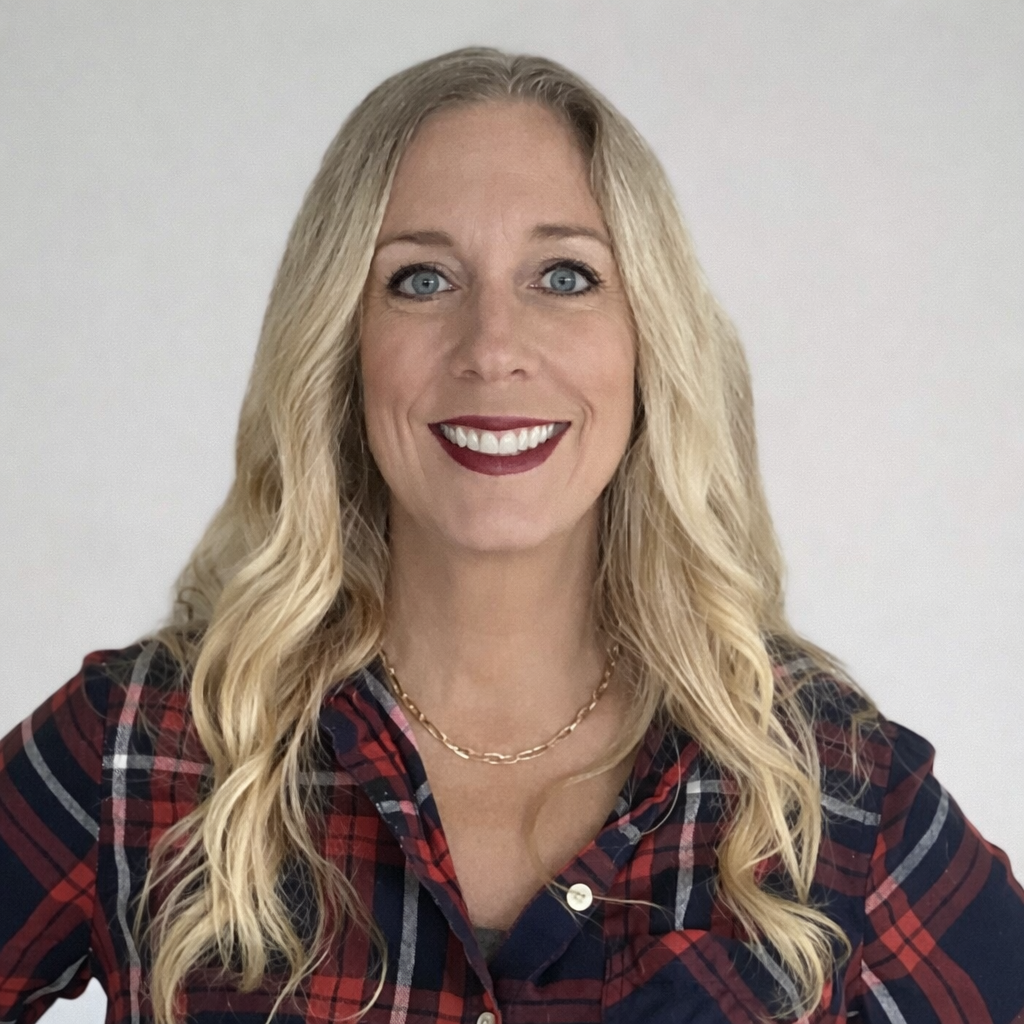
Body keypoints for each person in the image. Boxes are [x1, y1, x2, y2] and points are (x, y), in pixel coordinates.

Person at [1, 46, 1022, 1024]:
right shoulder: (145, 745)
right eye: (421, 279)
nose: (492, 348)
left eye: (565, 276)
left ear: (648, 343)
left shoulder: (824, 789)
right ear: (342, 344)